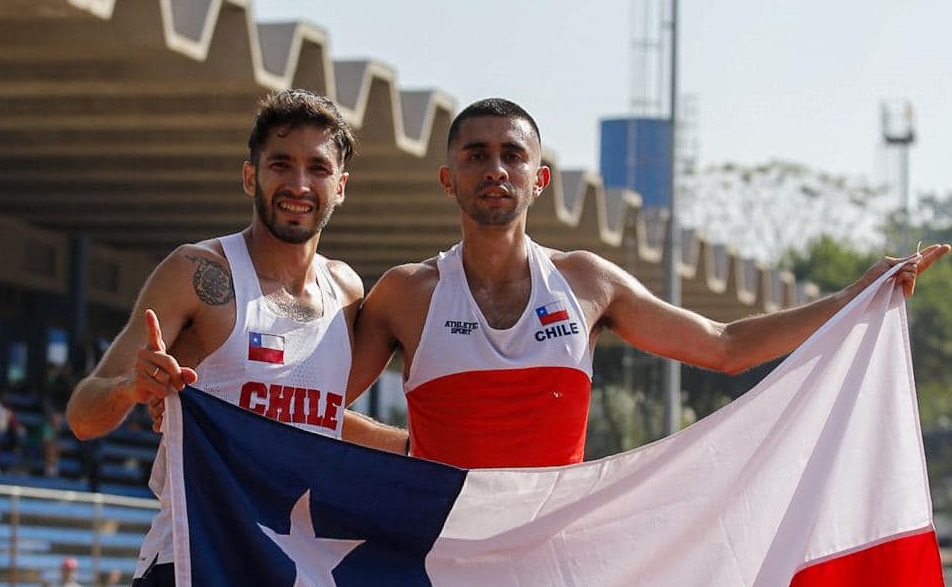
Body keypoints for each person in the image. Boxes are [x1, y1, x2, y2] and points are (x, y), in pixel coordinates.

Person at [346, 97, 951, 469]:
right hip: (435, 548)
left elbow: (724, 345)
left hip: (552, 547)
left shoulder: (585, 281)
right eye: (476, 155)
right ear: (448, 179)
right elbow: (319, 407)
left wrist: (851, 298)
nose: (495, 169)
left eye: (512, 155)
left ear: (540, 180)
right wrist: (410, 447)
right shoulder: (407, 293)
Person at [66, 89, 405, 586]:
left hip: (293, 566)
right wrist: (129, 390)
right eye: (281, 164)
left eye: (318, 168)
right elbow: (81, 416)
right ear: (251, 175)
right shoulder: (198, 273)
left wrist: (426, 446)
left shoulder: (347, 290)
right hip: (193, 560)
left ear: (341, 186)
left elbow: (316, 415)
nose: (298, 183)